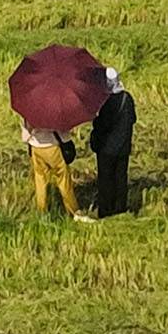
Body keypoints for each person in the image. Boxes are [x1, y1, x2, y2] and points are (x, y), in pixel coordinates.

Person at [88, 66, 136, 218]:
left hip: (106, 148)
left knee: (105, 179)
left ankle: (106, 210)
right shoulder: (127, 98)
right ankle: (120, 208)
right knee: (121, 177)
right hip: (123, 147)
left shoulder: (105, 102)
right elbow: (132, 119)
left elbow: (101, 125)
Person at [24, 120, 84, 221]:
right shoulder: (54, 109)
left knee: (40, 180)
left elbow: (25, 133)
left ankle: (41, 212)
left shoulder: (30, 109)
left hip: (35, 147)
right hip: (52, 147)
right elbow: (63, 133)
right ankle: (73, 212)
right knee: (63, 179)